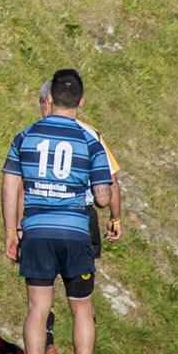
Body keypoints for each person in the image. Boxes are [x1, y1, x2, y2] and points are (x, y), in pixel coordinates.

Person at [3, 68, 114, 354]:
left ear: (49, 99)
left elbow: (10, 187)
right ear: (81, 101)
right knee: (81, 307)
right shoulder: (89, 139)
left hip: (36, 231)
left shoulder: (25, 136)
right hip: (75, 233)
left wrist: (12, 230)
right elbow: (103, 198)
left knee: (37, 308)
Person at [37, 77, 123, 256]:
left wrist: (16, 229)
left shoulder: (30, 135)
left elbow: (18, 185)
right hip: (80, 217)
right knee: (80, 278)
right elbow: (111, 183)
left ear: (47, 101)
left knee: (44, 278)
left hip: (41, 215)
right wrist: (115, 219)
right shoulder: (91, 136)